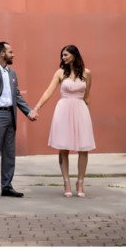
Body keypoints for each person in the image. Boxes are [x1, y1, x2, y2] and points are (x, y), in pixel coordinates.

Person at [31, 45, 96, 197]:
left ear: (74, 55)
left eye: (65, 55)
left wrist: (87, 117)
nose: (63, 58)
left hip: (81, 111)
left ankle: (80, 182)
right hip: (63, 111)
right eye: (62, 55)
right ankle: (66, 181)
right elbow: (48, 91)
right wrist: (36, 108)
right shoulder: (60, 73)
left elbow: (87, 97)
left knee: (83, 148)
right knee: (63, 148)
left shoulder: (87, 73)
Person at [0, 41, 37, 200]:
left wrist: (28, 111)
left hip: (11, 115)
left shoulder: (12, 73)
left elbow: (17, 95)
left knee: (9, 154)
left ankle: (7, 186)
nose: (13, 54)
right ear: (2, 53)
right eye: (11, 51)